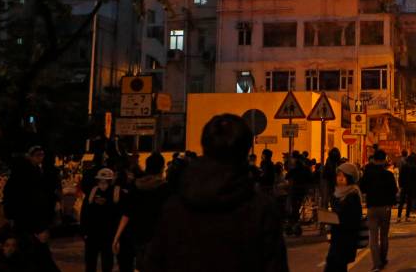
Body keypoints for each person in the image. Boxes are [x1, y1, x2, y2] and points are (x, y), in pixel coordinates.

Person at [144, 114, 288, 272]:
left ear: (204, 145)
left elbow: (155, 262)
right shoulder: (262, 210)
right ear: (245, 151)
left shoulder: (174, 207)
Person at [2, 145, 61, 272]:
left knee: (34, 251)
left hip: (31, 218)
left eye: (42, 155)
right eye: (37, 155)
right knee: (32, 250)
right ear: (30, 157)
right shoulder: (26, 173)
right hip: (28, 218)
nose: (40, 158)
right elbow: (15, 195)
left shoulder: (39, 172)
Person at [113, 152, 171, 272]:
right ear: (161, 168)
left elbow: (126, 213)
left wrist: (117, 237)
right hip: (156, 237)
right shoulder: (165, 189)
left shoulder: (136, 186)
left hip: (137, 235)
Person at [359, 149, 397, 272]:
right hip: (385, 208)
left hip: (372, 207)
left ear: (374, 159)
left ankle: (376, 263)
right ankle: (383, 258)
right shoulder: (388, 175)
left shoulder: (368, 174)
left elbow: (362, 188)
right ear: (384, 159)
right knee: (384, 235)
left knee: (373, 237)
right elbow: (394, 191)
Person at [325, 162, 364, 272]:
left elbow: (354, 219)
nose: (340, 178)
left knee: (337, 265)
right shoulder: (337, 193)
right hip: (337, 237)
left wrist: (338, 219)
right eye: (338, 175)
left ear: (350, 177)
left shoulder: (353, 194)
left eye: (343, 175)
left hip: (346, 238)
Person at [81, 168, 121, 272]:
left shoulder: (117, 193)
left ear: (110, 181)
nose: (102, 184)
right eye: (100, 181)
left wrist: (117, 236)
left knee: (107, 263)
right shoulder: (93, 192)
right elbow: (85, 212)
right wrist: (84, 231)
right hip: (92, 234)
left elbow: (120, 215)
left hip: (108, 234)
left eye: (105, 181)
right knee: (90, 262)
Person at [397, 153, 416, 222]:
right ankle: (407, 216)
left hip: (404, 186)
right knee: (409, 201)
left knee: (401, 202)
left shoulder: (404, 166)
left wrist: (400, 185)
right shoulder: (415, 167)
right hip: (411, 187)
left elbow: (401, 176)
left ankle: (399, 216)